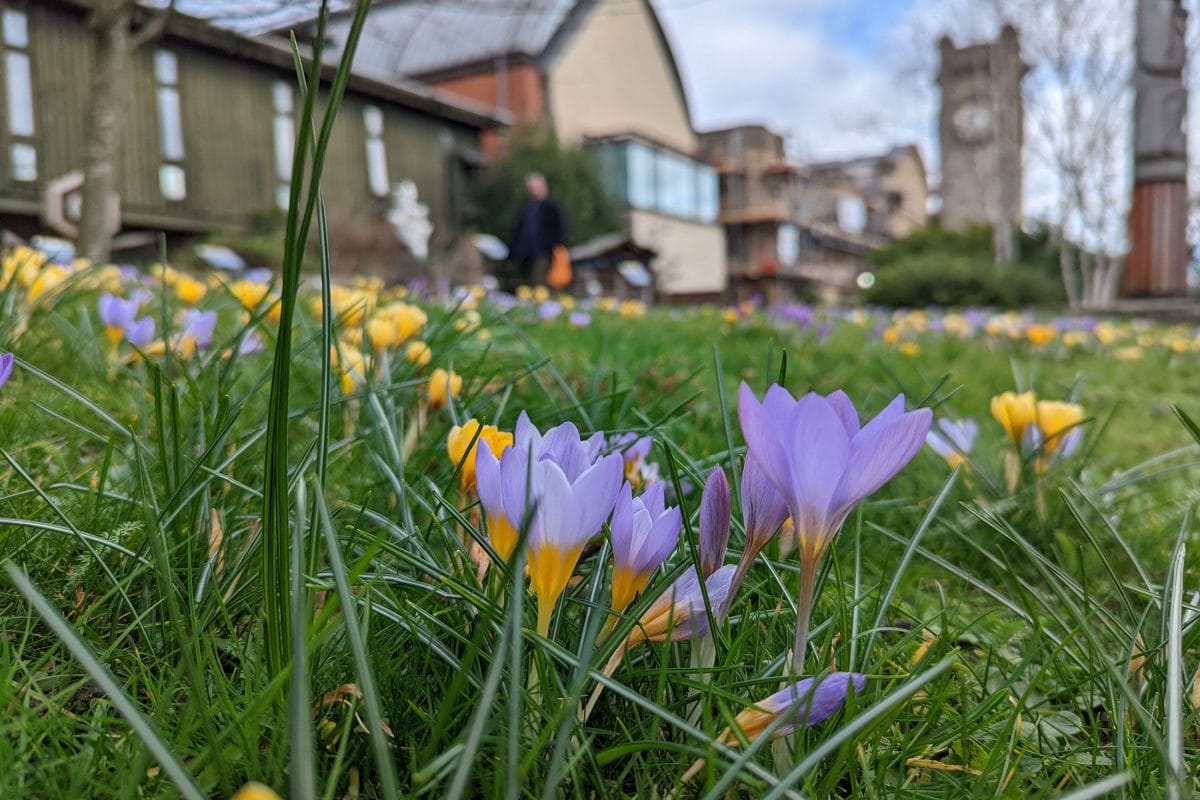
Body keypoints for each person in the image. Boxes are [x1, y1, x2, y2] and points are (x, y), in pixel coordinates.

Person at [508, 173, 566, 289]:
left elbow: (559, 230)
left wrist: (551, 248)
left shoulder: (552, 207)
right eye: (531, 188)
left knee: (541, 285)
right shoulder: (528, 208)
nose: (533, 191)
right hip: (527, 255)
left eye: (536, 188)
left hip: (544, 254)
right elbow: (520, 231)